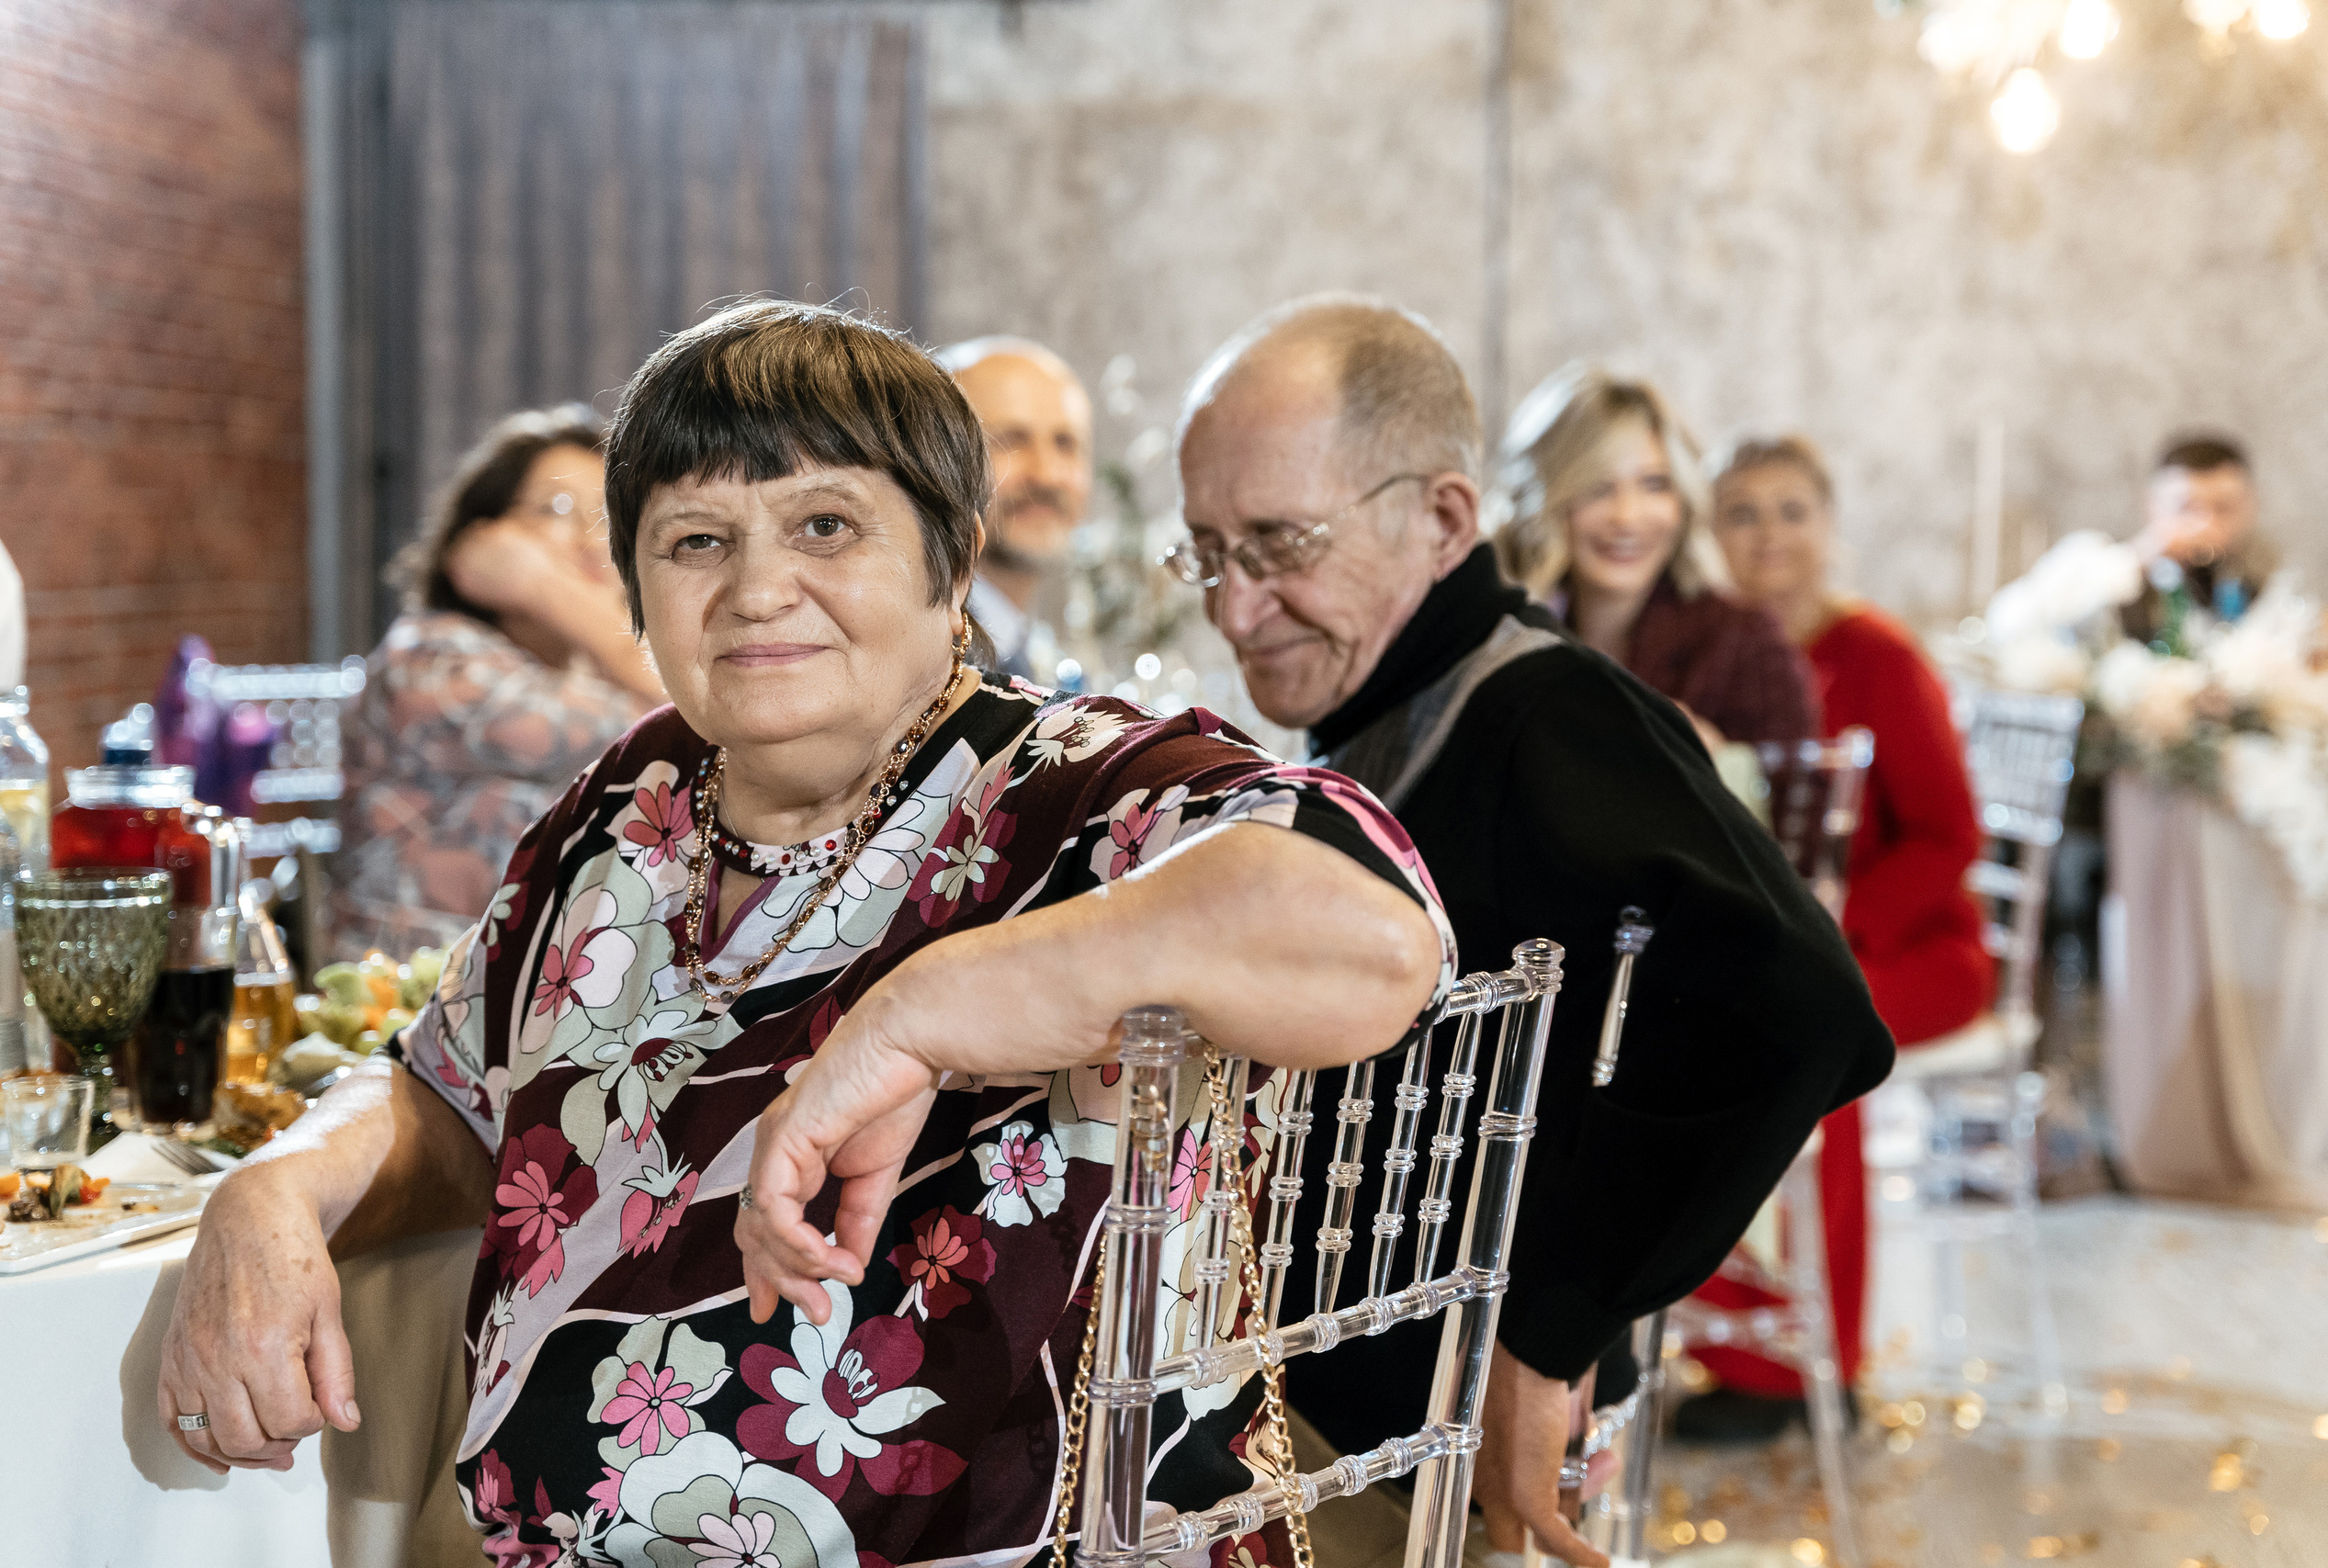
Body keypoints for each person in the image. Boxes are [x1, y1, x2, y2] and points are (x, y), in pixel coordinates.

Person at [160, 300, 1453, 1566]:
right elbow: (450, 1094)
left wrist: (923, 1009)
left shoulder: (1069, 785)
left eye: (824, 524)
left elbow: (1369, 930)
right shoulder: (631, 801)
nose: (757, 587)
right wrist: (277, 1183)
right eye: (696, 539)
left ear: (954, 565)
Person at [1170, 296, 1893, 1565]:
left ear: (1445, 519)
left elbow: (1805, 1012)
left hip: (1415, 1438)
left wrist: (1549, 1331)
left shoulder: (1547, 713)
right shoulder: (1387, 687)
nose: (1236, 610)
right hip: (1316, 1379)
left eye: (1282, 545)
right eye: (1209, 552)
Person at [1691, 434, 1995, 1440]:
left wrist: (1839, 930)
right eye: (1742, 512)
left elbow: (1950, 836)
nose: (1767, 534)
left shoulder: (1876, 655)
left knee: (1819, 1037)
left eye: (1789, 511)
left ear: (1826, 525)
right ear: (1713, 531)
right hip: (1782, 938)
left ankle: (1821, 1363)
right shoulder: (1714, 658)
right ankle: (1728, 1342)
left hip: (1911, 944)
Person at [334, 407, 666, 957]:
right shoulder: (432, 661)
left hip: (535, 1009)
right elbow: (693, 719)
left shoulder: (583, 673)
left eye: (608, 520)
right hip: (400, 1011)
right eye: (556, 509)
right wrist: (542, 587)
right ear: (483, 533)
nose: (590, 542)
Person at [1492, 365, 1817, 747]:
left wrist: (1721, 768)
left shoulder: (1746, 645)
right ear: (1549, 498)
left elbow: (1800, 799)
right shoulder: (1505, 638)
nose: (1627, 517)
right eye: (1598, 487)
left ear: (1684, 498)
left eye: (1654, 484)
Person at [936, 335, 1094, 684]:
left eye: (1065, 443)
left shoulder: (1025, 650)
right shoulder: (928, 664)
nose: (1047, 475)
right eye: (1010, 441)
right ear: (935, 464)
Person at [2119, 434, 2279, 647]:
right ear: (2151, 505)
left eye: (2223, 508)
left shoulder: (2263, 566)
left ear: (2252, 505)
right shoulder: (2107, 569)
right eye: (2185, 508)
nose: (2205, 524)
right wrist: (2138, 559)